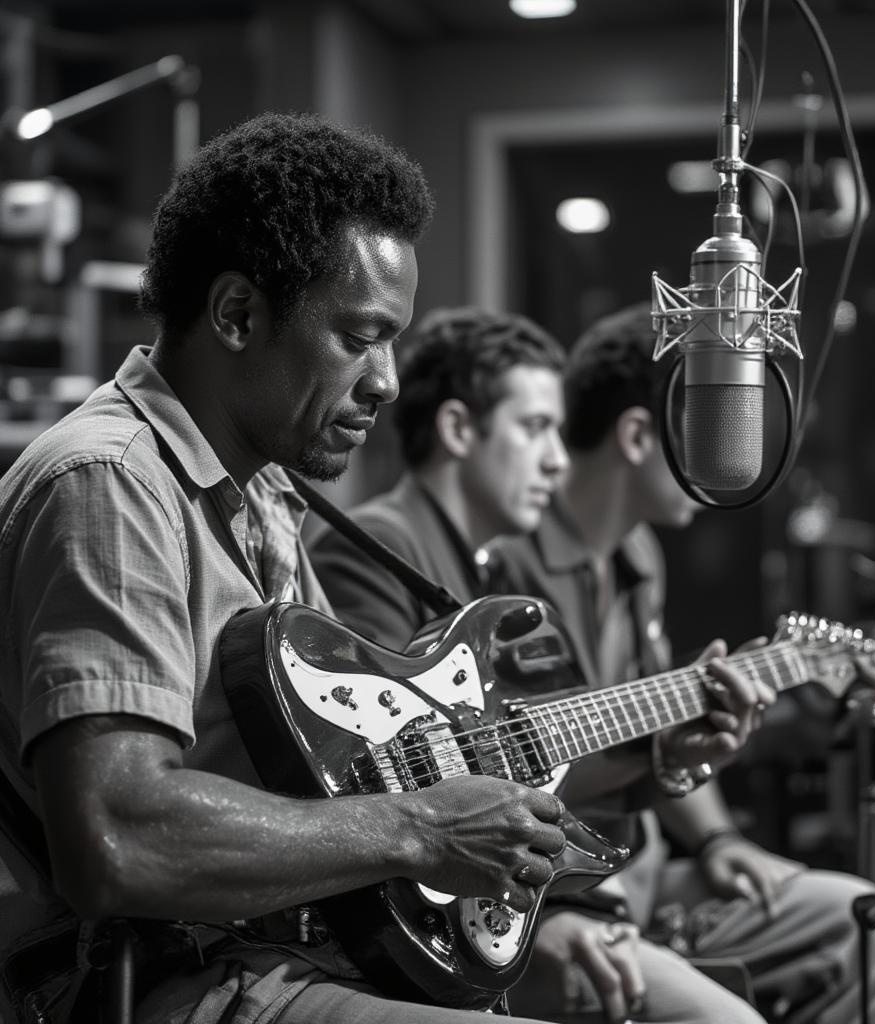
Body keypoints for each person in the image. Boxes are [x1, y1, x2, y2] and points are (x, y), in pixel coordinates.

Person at [0, 112, 582, 1024]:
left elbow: (328, 780)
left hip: (283, 952)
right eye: (360, 337)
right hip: (156, 982)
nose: (388, 380)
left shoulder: (264, 492)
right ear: (237, 314)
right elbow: (116, 835)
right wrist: (421, 827)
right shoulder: (111, 483)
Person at [309, 306, 779, 1024]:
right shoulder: (378, 543)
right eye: (535, 430)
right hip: (432, 926)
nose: (558, 460)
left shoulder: (483, 565)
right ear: (460, 431)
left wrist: (664, 753)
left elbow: (519, 754)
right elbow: (380, 767)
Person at [489, 303, 875, 1024]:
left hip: (648, 873)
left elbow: (652, 726)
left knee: (862, 918)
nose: (717, 454)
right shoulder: (506, 564)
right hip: (560, 896)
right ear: (635, 436)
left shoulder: (639, 558)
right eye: (700, 427)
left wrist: (717, 838)